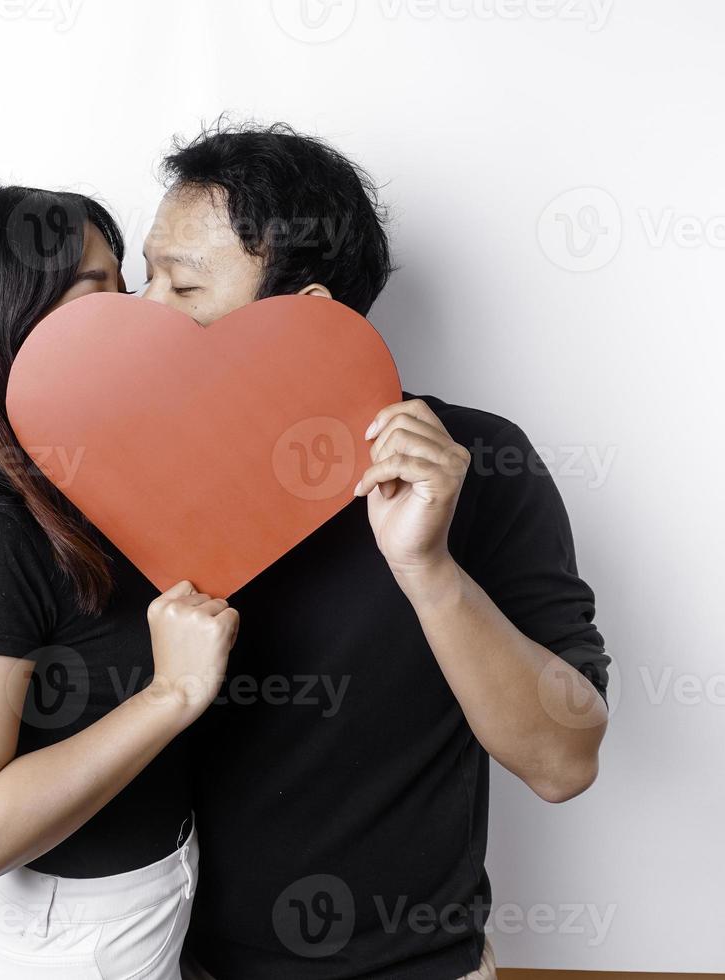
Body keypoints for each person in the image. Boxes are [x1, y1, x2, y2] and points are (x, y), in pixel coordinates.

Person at [138, 123, 612, 980]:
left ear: (304, 317)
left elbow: (562, 761)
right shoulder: (127, 476)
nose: (146, 315)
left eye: (183, 286)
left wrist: (427, 570)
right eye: (145, 279)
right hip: (180, 965)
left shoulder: (478, 466)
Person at [0, 184, 239, 979]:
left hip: (161, 900)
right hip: (73, 945)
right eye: (97, 291)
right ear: (3, 322)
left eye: (129, 281)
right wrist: (169, 696)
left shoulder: (94, 482)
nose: (141, 309)